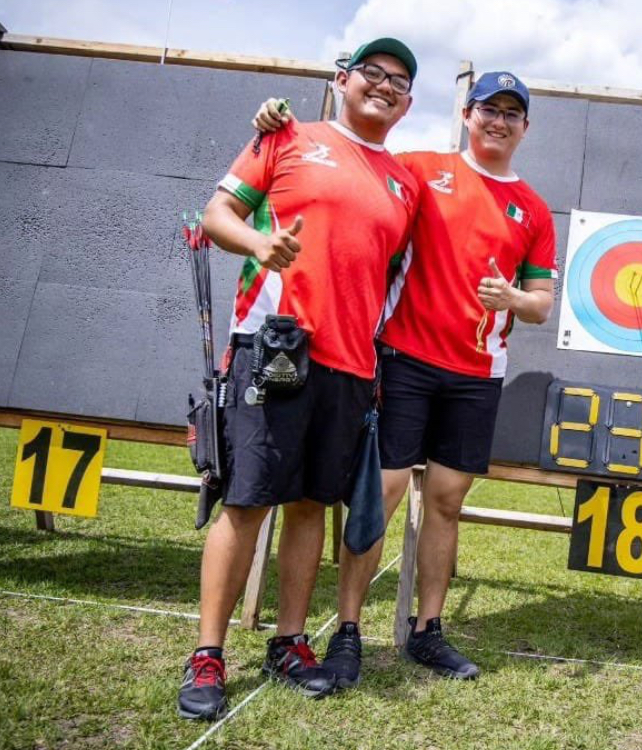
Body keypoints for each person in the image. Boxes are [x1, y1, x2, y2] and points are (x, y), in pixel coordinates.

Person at [250, 70, 556, 686]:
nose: (498, 121)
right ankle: (347, 631)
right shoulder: (417, 169)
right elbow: (349, 162)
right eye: (487, 109)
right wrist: (277, 128)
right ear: (466, 115)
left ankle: (427, 632)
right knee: (379, 494)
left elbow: (542, 302)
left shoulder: (535, 209)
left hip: (477, 372)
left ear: (526, 127)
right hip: (404, 359)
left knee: (445, 502)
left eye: (511, 113)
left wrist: (512, 299)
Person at [177, 38, 420, 721]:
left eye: (400, 80)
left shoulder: (405, 184)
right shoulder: (286, 136)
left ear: (410, 102)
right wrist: (259, 244)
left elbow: (395, 275)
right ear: (342, 80)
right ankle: (209, 653)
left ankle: (289, 642)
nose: (385, 85)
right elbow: (219, 213)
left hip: (350, 365)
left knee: (312, 503)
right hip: (274, 346)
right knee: (248, 500)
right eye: (372, 72)